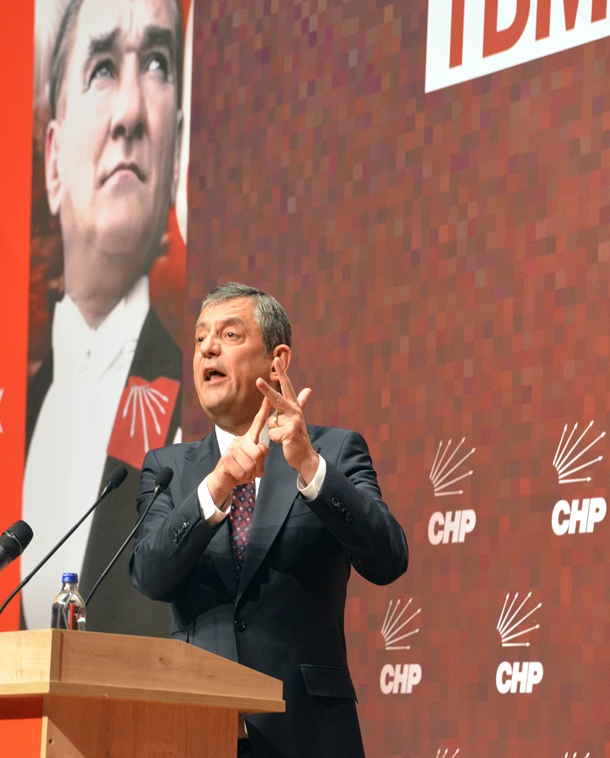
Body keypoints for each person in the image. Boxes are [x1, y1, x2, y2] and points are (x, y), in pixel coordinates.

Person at [129, 283, 409, 758]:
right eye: (199, 339)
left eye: (229, 335)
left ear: (277, 361)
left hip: (308, 731)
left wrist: (310, 468)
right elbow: (150, 576)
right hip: (198, 730)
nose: (208, 348)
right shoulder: (168, 469)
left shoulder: (335, 450)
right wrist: (216, 486)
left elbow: (388, 559)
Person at [22, 0, 185, 636]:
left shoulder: (200, 406)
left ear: (177, 145)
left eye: (157, 64)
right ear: (52, 163)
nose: (130, 113)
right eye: (102, 69)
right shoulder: (24, 408)